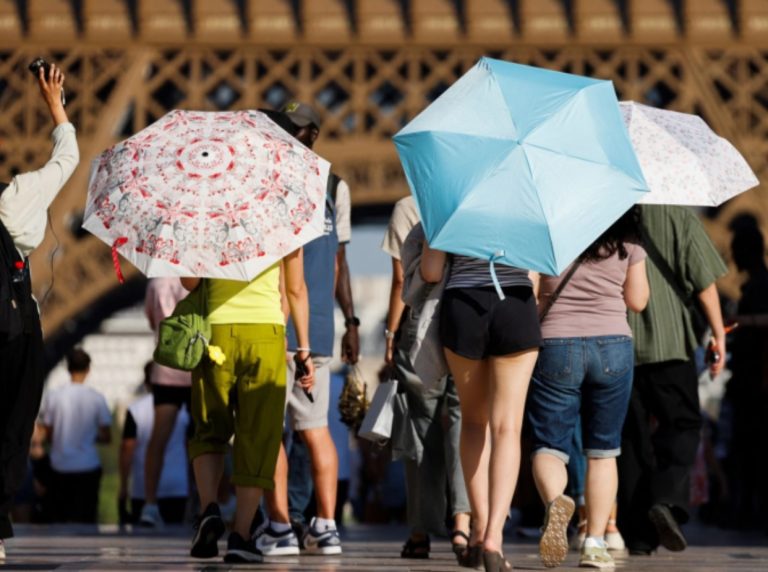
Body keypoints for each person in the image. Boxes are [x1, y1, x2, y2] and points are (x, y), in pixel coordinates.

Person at [255, 102, 358, 557]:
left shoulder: (276, 184)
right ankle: (323, 526)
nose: (286, 136)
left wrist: (351, 321)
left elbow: (300, 271)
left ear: (312, 134)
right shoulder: (332, 187)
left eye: (293, 130)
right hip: (311, 327)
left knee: (278, 432)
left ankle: (284, 524)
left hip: (285, 326)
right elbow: (337, 263)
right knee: (313, 429)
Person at [527, 207, 649, 569]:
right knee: (604, 450)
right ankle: (595, 544)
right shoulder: (628, 238)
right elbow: (638, 301)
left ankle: (556, 502)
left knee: (549, 446)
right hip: (613, 344)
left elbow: (530, 293)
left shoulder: (548, 229)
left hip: (555, 344)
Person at [182, 245, 314, 563]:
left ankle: (209, 508)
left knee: (209, 428)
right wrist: (304, 348)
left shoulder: (205, 220)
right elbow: (295, 289)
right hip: (266, 333)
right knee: (258, 436)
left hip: (215, 333)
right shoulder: (285, 223)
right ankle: (241, 535)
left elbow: (189, 282)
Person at [421, 242, 541, 572]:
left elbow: (431, 272)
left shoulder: (450, 211)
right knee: (507, 428)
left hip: (464, 306)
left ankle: (479, 526)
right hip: (516, 301)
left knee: (473, 423)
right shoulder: (528, 211)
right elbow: (537, 272)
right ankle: (493, 538)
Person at [617, 205, 727, 556]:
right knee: (682, 423)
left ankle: (637, 536)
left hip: (617, 338)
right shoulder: (677, 212)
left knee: (630, 437)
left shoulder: (608, 207)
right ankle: (665, 498)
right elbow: (703, 279)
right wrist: (718, 333)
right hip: (671, 341)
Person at [0, 62, 77, 558]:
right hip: (13, 327)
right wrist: (55, 105)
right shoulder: (17, 199)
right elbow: (67, 158)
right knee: (13, 422)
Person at [382, 196, 471, 560]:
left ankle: (420, 532)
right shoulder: (473, 197)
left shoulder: (408, 207)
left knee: (420, 428)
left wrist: (390, 334)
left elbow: (400, 280)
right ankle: (463, 525)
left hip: (420, 322)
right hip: (468, 318)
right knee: (467, 423)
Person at [138, 278, 192, 527]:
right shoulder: (199, 275)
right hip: (195, 366)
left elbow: (152, 321)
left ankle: (150, 504)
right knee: (207, 438)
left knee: (158, 438)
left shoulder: (157, 280)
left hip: (166, 367)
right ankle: (215, 500)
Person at [725, 225, 768, 533]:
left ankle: (751, 510)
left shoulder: (761, 286)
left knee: (753, 448)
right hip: (749, 379)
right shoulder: (754, 284)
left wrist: (740, 321)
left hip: (756, 381)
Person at [38, 348, 112, 523]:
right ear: (88, 369)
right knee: (86, 517)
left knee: (60, 518)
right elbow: (107, 436)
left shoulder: (54, 396)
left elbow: (48, 431)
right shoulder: (97, 398)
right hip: (88, 465)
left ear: (68, 368)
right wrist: (92, 436)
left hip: (59, 465)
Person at [120, 362, 191, 525]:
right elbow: (189, 446)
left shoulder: (135, 409)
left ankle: (150, 507)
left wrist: (123, 485)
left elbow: (127, 448)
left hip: (142, 489)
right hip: (177, 486)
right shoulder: (183, 409)